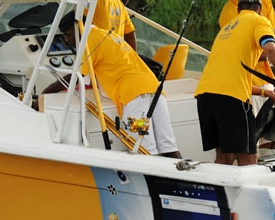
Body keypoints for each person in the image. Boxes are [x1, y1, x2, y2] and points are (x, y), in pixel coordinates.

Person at [46, 12, 181, 158]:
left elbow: (76, 77)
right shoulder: (107, 35)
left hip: (135, 97)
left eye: (68, 34)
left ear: (78, 27)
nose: (67, 40)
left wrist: (46, 92)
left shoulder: (89, 40)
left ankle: (152, 181)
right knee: (168, 146)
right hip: (155, 91)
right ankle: (184, 180)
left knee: (143, 150)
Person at [194, 0, 275, 166]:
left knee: (224, 158)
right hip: (232, 98)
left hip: (205, 97)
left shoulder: (226, 28)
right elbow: (270, 48)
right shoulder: (259, 20)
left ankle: (221, 193)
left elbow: (229, 80)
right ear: (260, 10)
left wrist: (268, 93)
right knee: (248, 158)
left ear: (238, 10)